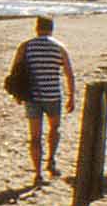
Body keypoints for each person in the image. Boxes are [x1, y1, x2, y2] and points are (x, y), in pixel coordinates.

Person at [12, 16, 75, 187]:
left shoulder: (25, 46)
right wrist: (72, 96)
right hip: (53, 96)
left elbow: (15, 71)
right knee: (54, 129)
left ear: (36, 28)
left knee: (35, 137)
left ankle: (38, 174)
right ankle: (51, 161)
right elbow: (69, 73)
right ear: (52, 28)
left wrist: (17, 94)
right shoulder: (59, 47)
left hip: (32, 97)